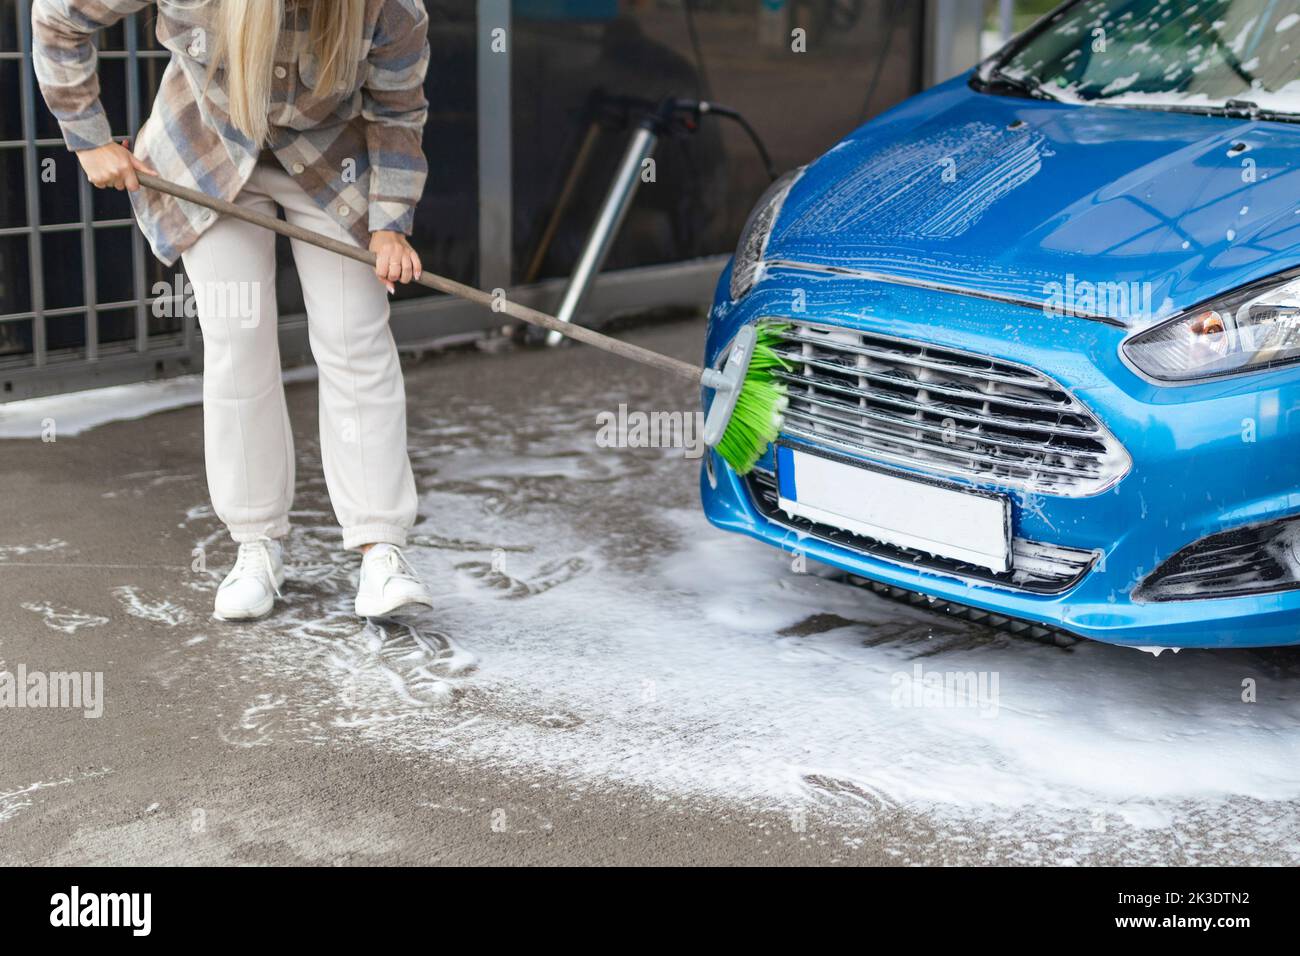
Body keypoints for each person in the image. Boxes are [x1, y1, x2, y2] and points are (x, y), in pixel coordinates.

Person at [32, 0, 436, 621]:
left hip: (333, 165)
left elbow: (398, 105)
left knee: (357, 339)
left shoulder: (390, 7)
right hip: (208, 157)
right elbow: (58, 17)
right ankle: (256, 547)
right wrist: (87, 140)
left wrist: (390, 223)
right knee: (237, 342)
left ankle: (381, 550)